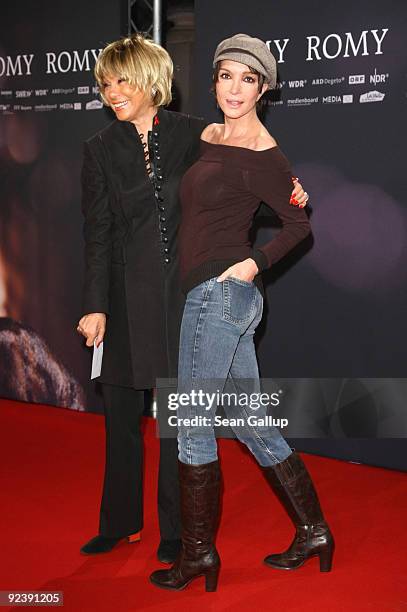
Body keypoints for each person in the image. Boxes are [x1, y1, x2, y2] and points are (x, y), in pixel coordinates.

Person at [76, 34, 309, 564]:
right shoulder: (97, 149)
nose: (114, 92)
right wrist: (94, 303)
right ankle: (118, 524)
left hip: (183, 296)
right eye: (107, 83)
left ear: (151, 81)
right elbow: (97, 232)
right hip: (120, 296)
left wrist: (292, 189)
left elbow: (243, 162)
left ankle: (179, 533)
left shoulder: (193, 134)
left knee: (177, 419)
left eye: (124, 80)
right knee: (120, 415)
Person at [149, 34, 334, 591]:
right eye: (226, 75)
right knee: (253, 425)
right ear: (214, 81)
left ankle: (199, 556)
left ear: (263, 88)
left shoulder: (263, 152)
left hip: (220, 294)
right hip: (216, 296)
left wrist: (253, 264)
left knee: (191, 425)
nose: (235, 88)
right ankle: (314, 531)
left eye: (248, 79)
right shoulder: (208, 135)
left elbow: (300, 224)